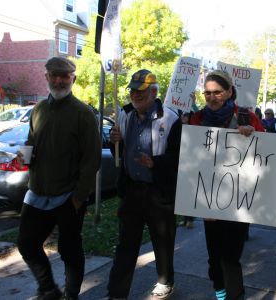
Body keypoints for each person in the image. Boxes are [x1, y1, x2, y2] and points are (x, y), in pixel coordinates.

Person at [17, 56, 102, 300]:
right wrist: (25, 155)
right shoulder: (38, 109)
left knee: (70, 251)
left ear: (72, 79)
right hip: (37, 194)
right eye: (54, 75)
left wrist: (78, 198)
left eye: (64, 76)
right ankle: (48, 289)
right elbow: (31, 142)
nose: (59, 80)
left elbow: (92, 160)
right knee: (27, 244)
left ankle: (71, 295)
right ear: (46, 77)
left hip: (68, 196)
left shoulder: (83, 113)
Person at [106, 69, 182, 299]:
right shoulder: (125, 115)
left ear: (154, 92)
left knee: (163, 240)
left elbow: (179, 157)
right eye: (132, 90)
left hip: (159, 192)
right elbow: (118, 152)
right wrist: (113, 142)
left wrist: (155, 163)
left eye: (140, 91)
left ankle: (165, 280)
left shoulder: (170, 118)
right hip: (131, 191)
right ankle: (116, 293)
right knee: (126, 245)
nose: (135, 95)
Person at [189, 70, 264, 300]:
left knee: (230, 258)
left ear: (230, 92)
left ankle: (234, 297)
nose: (212, 97)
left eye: (217, 92)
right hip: (208, 201)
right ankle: (221, 294)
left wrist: (252, 135)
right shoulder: (196, 119)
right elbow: (188, 160)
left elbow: (266, 155)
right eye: (207, 93)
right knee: (214, 259)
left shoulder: (246, 117)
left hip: (238, 202)